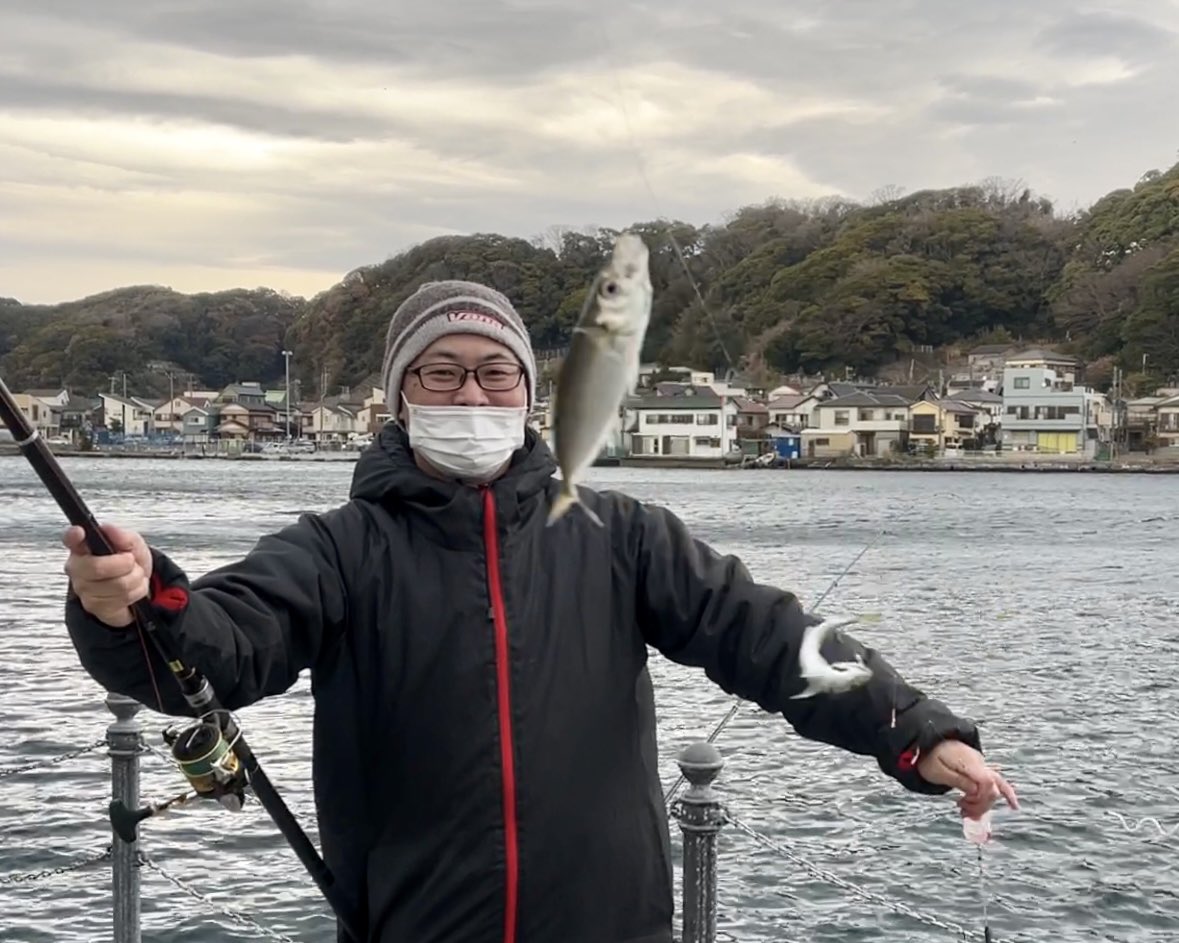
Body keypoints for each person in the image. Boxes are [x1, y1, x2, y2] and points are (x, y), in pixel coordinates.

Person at [63, 279, 1018, 943]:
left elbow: (771, 638)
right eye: (440, 372)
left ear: (527, 393)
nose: (470, 391)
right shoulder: (339, 547)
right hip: (415, 925)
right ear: (399, 395)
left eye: (494, 371)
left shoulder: (623, 533)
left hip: (615, 924)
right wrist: (134, 604)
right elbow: (219, 647)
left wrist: (913, 731)